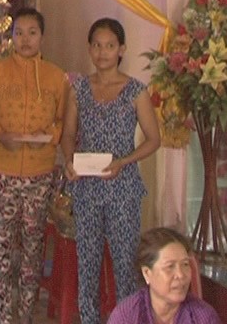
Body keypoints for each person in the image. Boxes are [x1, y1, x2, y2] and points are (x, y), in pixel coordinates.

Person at [62, 18, 161, 324]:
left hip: (123, 188)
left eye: (109, 46)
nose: (103, 52)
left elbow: (154, 139)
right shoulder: (79, 88)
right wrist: (68, 161)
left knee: (125, 265)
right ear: (89, 49)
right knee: (87, 264)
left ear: (122, 49)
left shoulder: (135, 90)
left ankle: (127, 319)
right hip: (87, 188)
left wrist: (124, 161)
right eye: (97, 45)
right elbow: (67, 134)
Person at [0, 8, 69, 324]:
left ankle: (26, 315)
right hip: (0, 172)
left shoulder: (56, 77)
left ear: (42, 36)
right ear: (10, 36)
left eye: (32, 32)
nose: (25, 39)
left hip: (40, 173)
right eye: (18, 32)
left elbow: (63, 121)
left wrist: (52, 135)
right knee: (0, 249)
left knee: (33, 250)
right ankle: (1, 317)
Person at [107, 227, 221, 324]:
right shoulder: (126, 317)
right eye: (170, 266)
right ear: (147, 273)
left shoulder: (203, 318)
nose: (180, 275)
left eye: (185, 264)